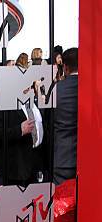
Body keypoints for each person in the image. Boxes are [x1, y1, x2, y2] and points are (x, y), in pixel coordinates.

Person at [53, 48, 78, 185]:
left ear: (65, 67)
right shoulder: (92, 87)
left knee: (61, 201)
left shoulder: (56, 89)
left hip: (62, 155)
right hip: (90, 155)